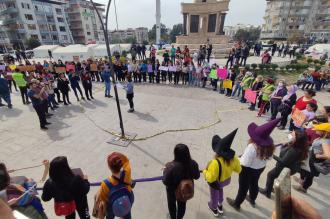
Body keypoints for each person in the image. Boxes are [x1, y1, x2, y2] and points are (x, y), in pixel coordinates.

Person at [226, 119, 279, 210]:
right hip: (260, 168)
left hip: (247, 170)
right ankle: (252, 199)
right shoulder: (270, 147)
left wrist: (237, 159)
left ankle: (237, 204)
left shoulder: (252, 147)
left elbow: (245, 163)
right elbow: (270, 158)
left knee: (243, 187)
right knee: (254, 183)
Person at [259, 129, 309, 198]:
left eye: (293, 135)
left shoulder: (293, 150)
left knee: (270, 175)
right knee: (274, 176)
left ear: (297, 139)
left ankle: (267, 192)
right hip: (290, 167)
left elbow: (283, 161)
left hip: (284, 167)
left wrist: (271, 155)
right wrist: (286, 145)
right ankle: (270, 189)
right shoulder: (298, 146)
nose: (291, 134)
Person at [203, 129, 242, 217]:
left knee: (214, 194)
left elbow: (211, 178)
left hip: (217, 181)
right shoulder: (234, 158)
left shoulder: (215, 163)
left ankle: (214, 208)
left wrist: (205, 172)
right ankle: (220, 205)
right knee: (220, 189)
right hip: (226, 180)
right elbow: (239, 170)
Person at [163, 144, 200, 219]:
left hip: (172, 190)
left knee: (171, 204)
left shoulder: (171, 167)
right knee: (182, 205)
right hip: (185, 190)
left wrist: (164, 171)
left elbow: (166, 181)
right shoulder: (193, 164)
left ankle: (173, 217)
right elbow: (197, 176)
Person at [94, 152, 134, 219]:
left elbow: (103, 201)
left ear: (109, 167)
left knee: (109, 215)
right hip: (127, 198)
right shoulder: (127, 171)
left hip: (112, 206)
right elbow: (126, 160)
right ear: (121, 164)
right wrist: (116, 154)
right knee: (126, 213)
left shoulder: (105, 184)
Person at [293, 123, 330, 193]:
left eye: (318, 129)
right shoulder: (323, 138)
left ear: (325, 132)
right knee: (304, 170)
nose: (316, 129)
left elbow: (328, 155)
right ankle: (302, 182)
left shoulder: (325, 141)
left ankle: (303, 188)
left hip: (315, 161)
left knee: (310, 175)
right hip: (311, 158)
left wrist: (318, 156)